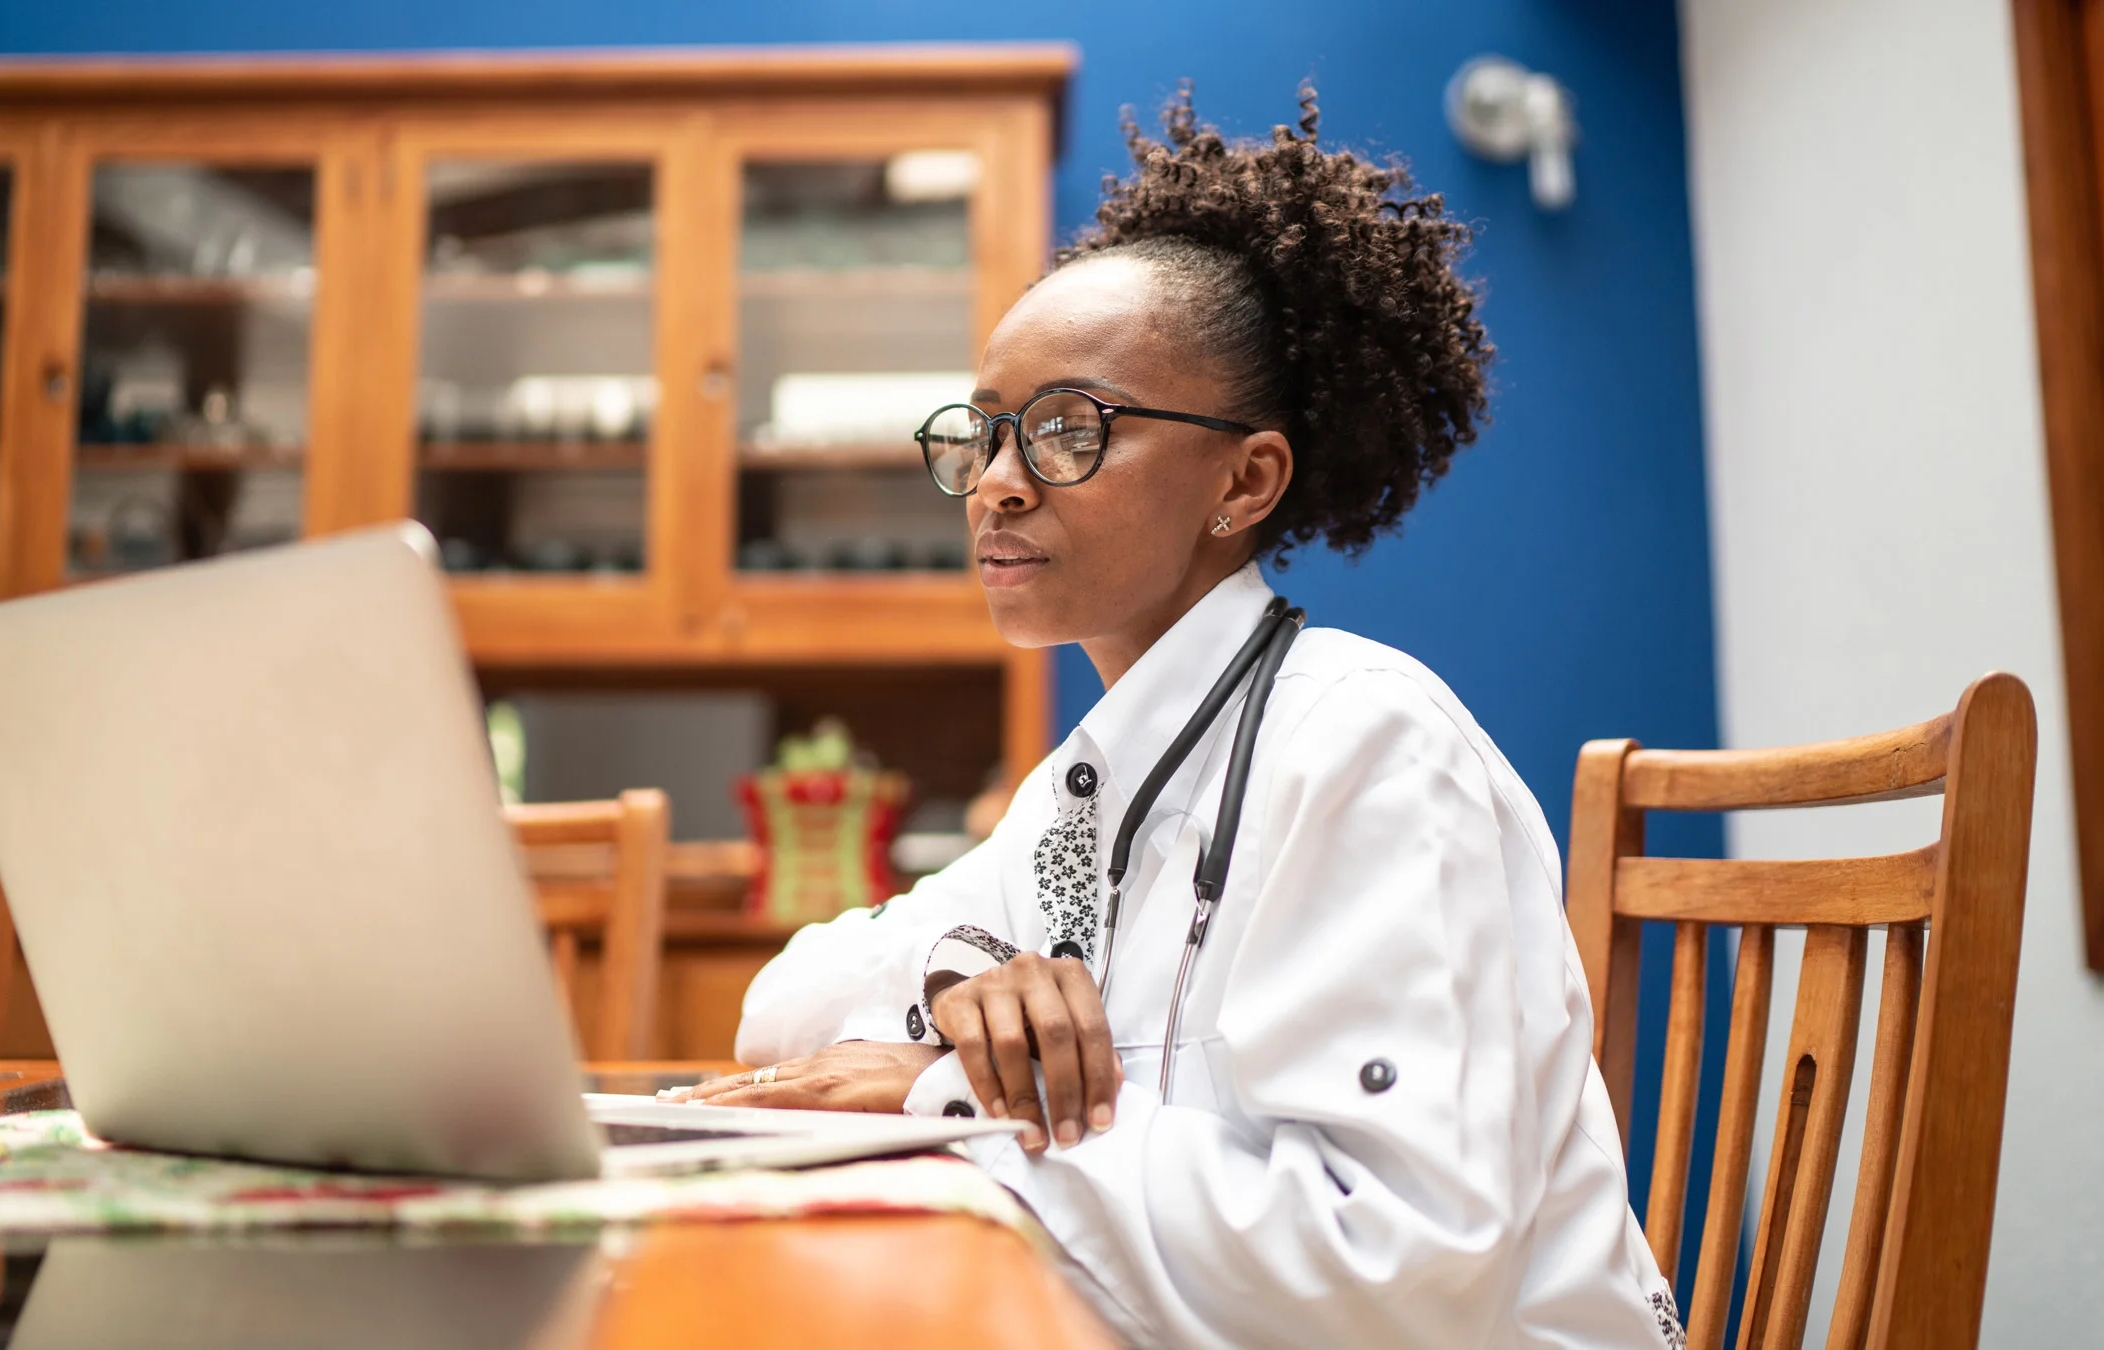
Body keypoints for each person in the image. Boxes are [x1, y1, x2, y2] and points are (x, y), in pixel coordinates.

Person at [675, 86, 1684, 1349]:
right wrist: (958, 975)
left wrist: (946, 1107)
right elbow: (778, 1014)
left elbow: (1390, 1267)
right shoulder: (1092, 783)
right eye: (983, 435)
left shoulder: (1365, 744)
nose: (993, 486)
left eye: (1065, 431)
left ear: (1243, 479)